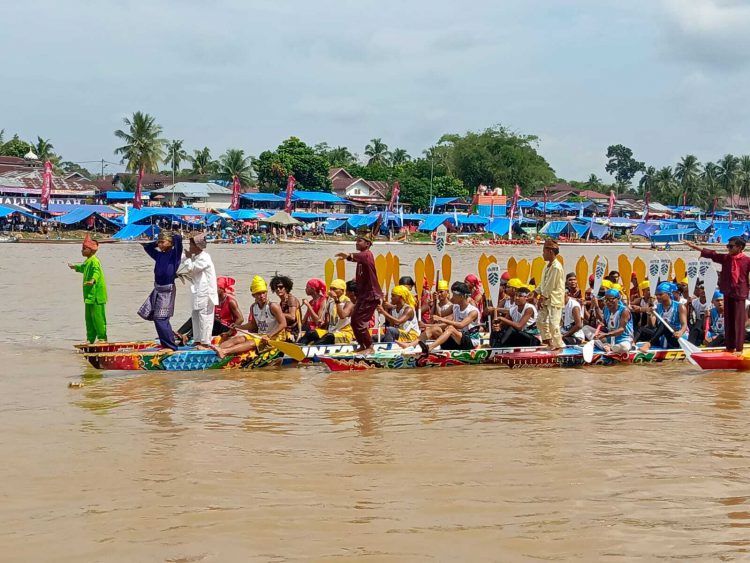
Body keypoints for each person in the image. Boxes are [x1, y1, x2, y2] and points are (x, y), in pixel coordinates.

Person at [686, 237, 750, 354]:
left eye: (731, 246)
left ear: (740, 248)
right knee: (729, 321)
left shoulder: (747, 261)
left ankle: (739, 348)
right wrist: (694, 247)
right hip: (727, 292)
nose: (728, 248)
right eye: (728, 246)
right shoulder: (725, 258)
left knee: (738, 322)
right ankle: (730, 347)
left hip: (740, 294)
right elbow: (711, 254)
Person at [211, 276, 287, 359]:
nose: (262, 296)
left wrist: (269, 336)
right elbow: (253, 325)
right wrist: (238, 327)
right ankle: (214, 351)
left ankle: (224, 352)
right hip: (261, 335)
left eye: (263, 293)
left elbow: (283, 324)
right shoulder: (253, 307)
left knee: (251, 343)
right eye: (258, 293)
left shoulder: (273, 306)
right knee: (239, 339)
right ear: (253, 295)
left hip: (275, 337)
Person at [335, 232, 383, 354]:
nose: (356, 243)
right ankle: (362, 345)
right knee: (354, 321)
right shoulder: (363, 257)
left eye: (359, 241)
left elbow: (359, 257)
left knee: (360, 322)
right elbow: (357, 258)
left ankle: (369, 347)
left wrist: (348, 255)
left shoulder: (367, 255)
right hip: (364, 295)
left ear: (367, 243)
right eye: (356, 241)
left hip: (370, 295)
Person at [401, 281, 480, 353]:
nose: (452, 297)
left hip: (471, 343)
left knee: (450, 328)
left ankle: (429, 348)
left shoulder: (473, 311)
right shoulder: (455, 307)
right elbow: (440, 314)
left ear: (462, 296)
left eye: (454, 295)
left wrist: (441, 319)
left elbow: (461, 325)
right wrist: (435, 301)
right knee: (434, 329)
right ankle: (410, 345)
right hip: (457, 341)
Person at [139, 232, 183, 351]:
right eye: (159, 242)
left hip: (167, 290)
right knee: (157, 318)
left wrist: (172, 235)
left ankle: (170, 346)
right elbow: (147, 247)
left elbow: (179, 239)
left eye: (162, 242)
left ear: (170, 243)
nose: (159, 244)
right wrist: (158, 241)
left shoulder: (174, 255)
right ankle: (166, 344)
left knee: (161, 318)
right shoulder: (159, 255)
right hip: (157, 289)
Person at [68, 234, 108, 343]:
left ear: (90, 250)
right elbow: (83, 268)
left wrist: (93, 280)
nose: (81, 251)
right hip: (89, 295)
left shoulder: (95, 261)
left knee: (98, 317)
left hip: (96, 295)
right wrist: (75, 267)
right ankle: (90, 339)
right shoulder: (88, 261)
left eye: (83, 249)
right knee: (89, 319)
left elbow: (96, 272)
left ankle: (102, 338)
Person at [181, 234, 218, 347]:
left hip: (206, 293)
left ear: (197, 246)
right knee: (196, 315)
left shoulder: (204, 257)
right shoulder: (195, 257)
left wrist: (187, 258)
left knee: (205, 316)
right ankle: (197, 340)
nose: (189, 246)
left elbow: (192, 269)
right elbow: (182, 260)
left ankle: (205, 342)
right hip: (197, 292)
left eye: (191, 244)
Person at [298, 279, 354, 345]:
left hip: (344, 333)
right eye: (331, 289)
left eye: (334, 289)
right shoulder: (330, 301)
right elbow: (327, 320)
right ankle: (298, 347)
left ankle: (313, 348)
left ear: (342, 290)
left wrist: (336, 300)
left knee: (329, 337)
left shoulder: (348, 302)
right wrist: (322, 323)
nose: (331, 291)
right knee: (311, 333)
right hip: (331, 331)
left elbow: (342, 316)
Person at [637, 282, 688, 352]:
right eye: (656, 295)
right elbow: (651, 325)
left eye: (660, 294)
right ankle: (632, 344)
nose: (657, 297)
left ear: (669, 294)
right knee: (641, 329)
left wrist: (680, 332)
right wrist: (650, 314)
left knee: (664, 323)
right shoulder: (657, 307)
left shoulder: (680, 306)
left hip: (676, 337)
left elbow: (684, 325)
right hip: (663, 336)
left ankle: (648, 344)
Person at [536, 239, 565, 350]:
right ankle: (549, 342)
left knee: (554, 324)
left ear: (550, 252)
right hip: (546, 298)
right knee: (540, 321)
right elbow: (543, 283)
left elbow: (550, 285)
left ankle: (559, 346)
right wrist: (535, 292)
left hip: (554, 299)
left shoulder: (556, 267)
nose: (542, 254)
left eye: (544, 251)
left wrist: (541, 298)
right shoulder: (547, 266)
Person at [594, 289, 634, 354]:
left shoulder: (624, 311)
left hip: (624, 340)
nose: (608, 302)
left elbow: (621, 329)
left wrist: (605, 335)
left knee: (624, 347)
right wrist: (601, 324)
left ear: (618, 299)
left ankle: (609, 347)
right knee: (586, 328)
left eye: (611, 299)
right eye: (606, 300)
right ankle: (607, 346)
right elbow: (603, 323)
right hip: (609, 339)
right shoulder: (605, 308)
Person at [271, 275, 302, 340]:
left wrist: (277, 313)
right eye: (276, 287)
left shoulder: (291, 299)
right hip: (285, 331)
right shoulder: (281, 302)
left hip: (294, 332)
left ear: (286, 288)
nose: (278, 289)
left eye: (281, 287)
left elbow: (292, 317)